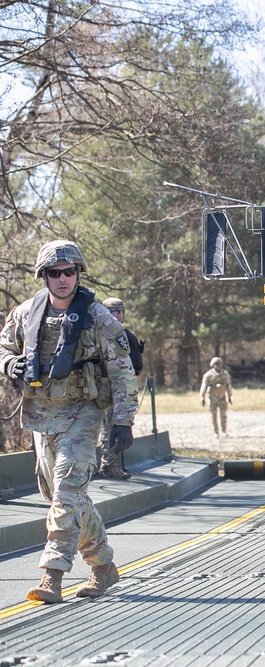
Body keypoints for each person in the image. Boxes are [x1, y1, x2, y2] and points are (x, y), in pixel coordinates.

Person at [0, 240, 138, 603]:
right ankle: (104, 566)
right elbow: (4, 347)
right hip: (41, 415)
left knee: (65, 492)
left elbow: (122, 370)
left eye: (69, 272)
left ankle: (52, 575)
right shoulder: (25, 313)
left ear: (78, 274)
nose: (62, 279)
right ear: (43, 276)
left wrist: (123, 421)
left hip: (83, 412)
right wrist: (8, 364)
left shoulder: (97, 316)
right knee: (63, 496)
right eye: (54, 273)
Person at [96, 297, 144, 479]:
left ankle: (109, 465)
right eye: (112, 312)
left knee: (112, 428)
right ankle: (106, 466)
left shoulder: (125, 335)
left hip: (118, 391)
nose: (116, 315)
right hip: (100, 389)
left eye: (119, 312)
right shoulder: (98, 334)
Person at [199, 356, 232, 436]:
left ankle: (224, 431)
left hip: (222, 397)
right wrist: (202, 397)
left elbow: (228, 385)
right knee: (213, 415)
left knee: (223, 415)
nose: (217, 365)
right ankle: (215, 432)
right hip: (212, 397)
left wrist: (229, 396)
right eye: (216, 364)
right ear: (212, 364)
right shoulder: (208, 375)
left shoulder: (225, 374)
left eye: (219, 364)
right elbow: (204, 386)